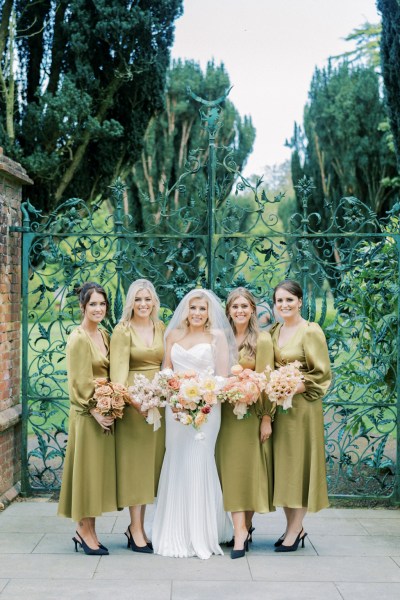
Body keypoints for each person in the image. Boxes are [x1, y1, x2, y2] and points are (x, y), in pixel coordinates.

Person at [152, 289, 236, 559]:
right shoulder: (173, 335)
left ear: (209, 311)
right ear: (185, 310)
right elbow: (166, 369)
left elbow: (223, 377)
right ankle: (175, 530)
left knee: (199, 460)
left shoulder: (217, 337)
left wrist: (202, 394)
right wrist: (174, 390)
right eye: (193, 308)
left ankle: (202, 532)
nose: (197, 313)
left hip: (207, 409)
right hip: (176, 409)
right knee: (176, 460)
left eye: (202, 308)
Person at [270, 279, 331, 552]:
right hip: (279, 410)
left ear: (300, 302)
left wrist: (294, 386)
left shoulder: (310, 331)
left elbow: (321, 372)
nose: (284, 305)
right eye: (280, 300)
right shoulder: (273, 331)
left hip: (303, 407)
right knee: (284, 468)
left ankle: (295, 530)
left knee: (301, 466)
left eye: (289, 300)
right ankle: (294, 527)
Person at [216, 287, 275, 559]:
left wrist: (266, 417)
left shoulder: (261, 340)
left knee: (248, 471)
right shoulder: (220, 339)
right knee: (230, 471)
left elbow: (266, 382)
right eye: (235, 306)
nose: (240, 311)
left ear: (252, 310)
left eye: (244, 306)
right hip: (224, 415)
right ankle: (240, 528)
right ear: (228, 310)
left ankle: (244, 528)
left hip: (250, 414)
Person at [58, 282, 116, 555]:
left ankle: (91, 529)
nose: (98, 309)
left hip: (103, 411)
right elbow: (78, 381)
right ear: (82, 306)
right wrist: (95, 410)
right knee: (85, 471)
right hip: (86, 414)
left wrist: (111, 405)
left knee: (94, 474)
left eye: (102, 304)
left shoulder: (103, 334)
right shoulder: (78, 337)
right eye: (93, 304)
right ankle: (83, 528)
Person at [110, 279, 165, 554]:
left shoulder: (161, 328)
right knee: (136, 467)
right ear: (131, 303)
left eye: (148, 299)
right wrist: (136, 403)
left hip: (160, 405)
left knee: (153, 467)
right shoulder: (122, 331)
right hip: (135, 406)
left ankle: (144, 526)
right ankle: (135, 528)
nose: (143, 304)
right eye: (138, 300)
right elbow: (117, 376)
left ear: (154, 302)